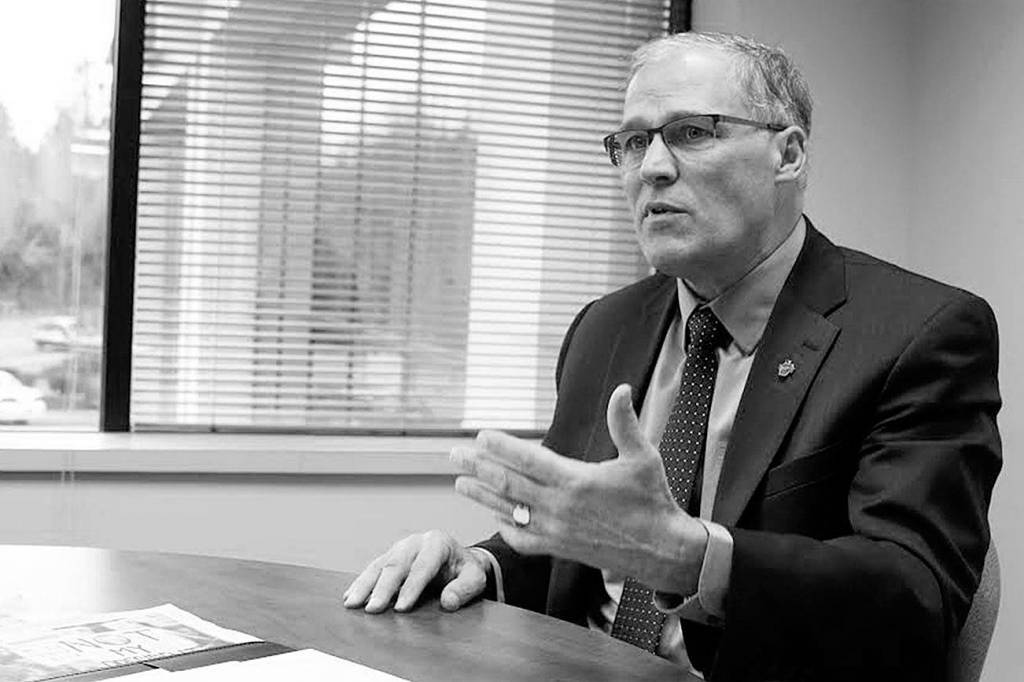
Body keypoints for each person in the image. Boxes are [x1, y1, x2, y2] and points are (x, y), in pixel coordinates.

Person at [342, 31, 1001, 682]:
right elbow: (579, 541)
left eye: (692, 133)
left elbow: (916, 599)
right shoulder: (605, 327)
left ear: (789, 154)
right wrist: (482, 568)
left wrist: (690, 559)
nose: (651, 168)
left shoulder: (921, 332)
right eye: (632, 142)